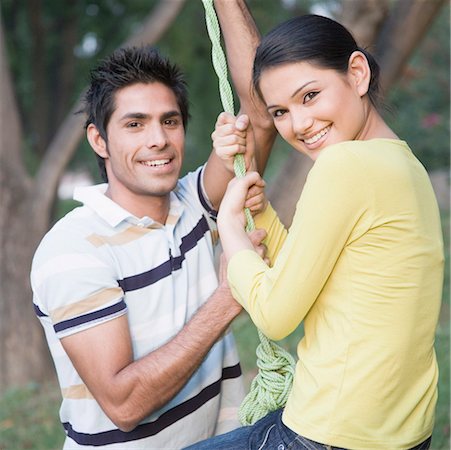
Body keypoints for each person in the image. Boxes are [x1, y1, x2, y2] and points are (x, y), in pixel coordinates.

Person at [186, 13, 444, 450]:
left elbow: (276, 314)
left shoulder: (343, 167)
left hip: (329, 434)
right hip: (401, 435)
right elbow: (309, 285)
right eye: (280, 112)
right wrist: (258, 206)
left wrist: (229, 226)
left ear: (357, 74)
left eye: (310, 96)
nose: (299, 124)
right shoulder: (402, 163)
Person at [30, 1, 275, 448]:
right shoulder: (71, 250)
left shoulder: (194, 205)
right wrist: (228, 298)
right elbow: (124, 405)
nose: (158, 139)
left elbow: (261, 111)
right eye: (135, 124)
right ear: (99, 140)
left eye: (170, 121)